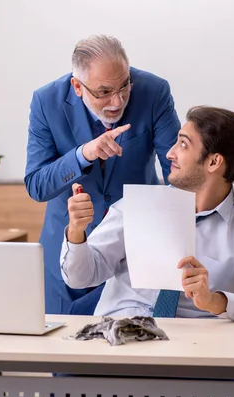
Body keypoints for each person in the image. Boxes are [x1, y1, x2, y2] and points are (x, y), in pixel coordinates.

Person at [60, 105, 234, 322]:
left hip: (196, 347)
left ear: (214, 161)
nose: (169, 153)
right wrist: (76, 232)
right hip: (120, 338)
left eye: (183, 145)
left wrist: (214, 301)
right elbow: (79, 278)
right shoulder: (135, 207)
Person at [24, 34, 181, 315]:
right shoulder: (46, 102)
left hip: (133, 254)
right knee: (61, 351)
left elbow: (178, 174)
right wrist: (82, 154)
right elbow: (37, 185)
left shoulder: (154, 92)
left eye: (124, 86)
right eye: (104, 92)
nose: (117, 100)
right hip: (66, 253)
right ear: (77, 87)